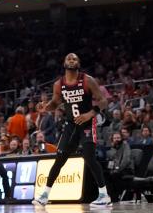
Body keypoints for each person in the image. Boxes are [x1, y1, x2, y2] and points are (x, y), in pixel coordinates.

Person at [32, 53, 111, 208]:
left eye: (74, 59)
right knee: (60, 158)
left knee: (89, 156)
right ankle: (45, 195)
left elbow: (103, 101)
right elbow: (55, 103)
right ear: (64, 63)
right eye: (69, 58)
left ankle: (104, 194)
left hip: (87, 123)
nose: (72, 60)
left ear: (78, 63)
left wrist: (89, 114)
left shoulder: (87, 80)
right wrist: (45, 108)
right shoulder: (58, 84)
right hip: (71, 124)